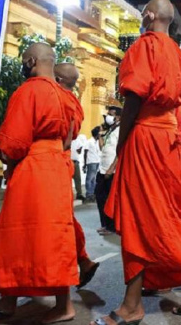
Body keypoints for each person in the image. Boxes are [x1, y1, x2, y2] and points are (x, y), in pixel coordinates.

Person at [94, 0, 181, 324]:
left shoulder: (142, 48)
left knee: (142, 218)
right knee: (164, 216)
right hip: (170, 141)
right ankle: (176, 294)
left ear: (148, 15)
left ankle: (138, 305)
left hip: (146, 136)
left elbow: (133, 97)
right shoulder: (176, 52)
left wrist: (122, 143)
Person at [0, 43, 78, 323]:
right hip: (57, 166)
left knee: (19, 233)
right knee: (52, 235)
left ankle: (64, 306)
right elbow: (70, 138)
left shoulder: (29, 91)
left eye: (24, 61)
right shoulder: (66, 95)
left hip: (33, 168)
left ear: (31, 61)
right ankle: (10, 298)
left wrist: (4, 154)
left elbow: (14, 143)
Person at [54, 62, 101, 289]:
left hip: (49, 162)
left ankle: (61, 283)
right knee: (64, 219)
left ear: (58, 80)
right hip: (61, 164)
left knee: (55, 222)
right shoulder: (74, 103)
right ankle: (83, 260)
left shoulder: (55, 98)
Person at [96, 107, 120, 235]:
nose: (108, 117)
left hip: (112, 171)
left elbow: (120, 151)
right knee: (100, 197)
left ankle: (111, 226)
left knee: (110, 199)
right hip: (102, 168)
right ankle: (104, 224)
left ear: (118, 117)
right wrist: (100, 135)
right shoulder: (110, 130)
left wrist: (111, 168)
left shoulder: (120, 130)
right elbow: (102, 148)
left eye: (111, 115)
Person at [84, 127, 102, 202]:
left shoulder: (97, 142)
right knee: (89, 178)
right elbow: (85, 152)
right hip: (91, 162)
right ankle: (89, 193)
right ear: (97, 134)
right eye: (99, 133)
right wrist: (85, 163)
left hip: (97, 161)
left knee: (94, 179)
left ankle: (92, 193)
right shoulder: (89, 141)